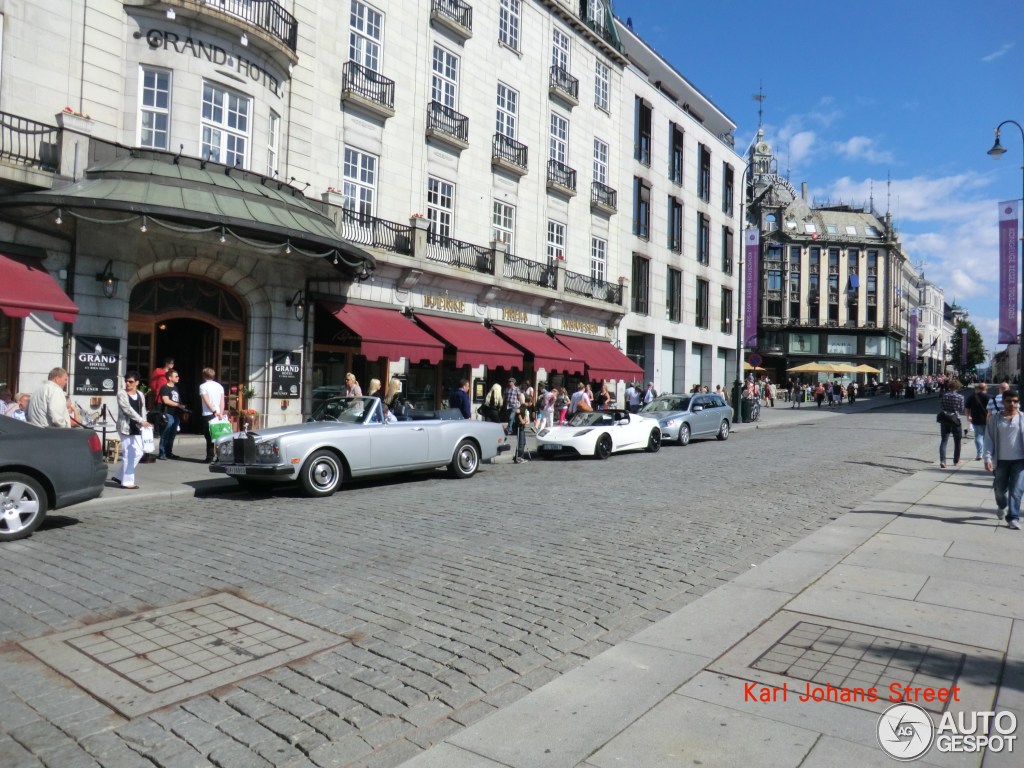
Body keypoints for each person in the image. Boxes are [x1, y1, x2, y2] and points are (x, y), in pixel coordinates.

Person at [983, 389, 1024, 530]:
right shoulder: (995, 419)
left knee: (1017, 489)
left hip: (1020, 461)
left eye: (1015, 401)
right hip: (1000, 460)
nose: (1012, 403)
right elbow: (988, 440)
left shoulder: (1022, 418)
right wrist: (987, 458)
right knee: (1000, 489)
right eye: (1009, 401)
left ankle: (1013, 518)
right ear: (1003, 402)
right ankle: (1002, 505)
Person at [113, 372, 151, 489]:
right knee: (129, 454)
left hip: (137, 427)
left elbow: (143, 409)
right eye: (126, 381)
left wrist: (144, 423)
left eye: (131, 381)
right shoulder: (121, 394)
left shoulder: (140, 394)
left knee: (139, 452)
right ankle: (127, 482)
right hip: (125, 427)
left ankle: (119, 476)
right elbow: (127, 409)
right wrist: (141, 420)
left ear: (137, 383)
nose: (128, 384)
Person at [158, 369, 187, 459]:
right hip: (168, 414)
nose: (178, 378)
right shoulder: (164, 388)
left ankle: (169, 452)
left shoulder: (175, 388)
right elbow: (166, 400)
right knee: (165, 434)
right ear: (170, 378)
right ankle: (162, 453)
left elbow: (177, 400)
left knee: (172, 435)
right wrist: (178, 405)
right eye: (176, 376)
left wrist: (182, 408)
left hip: (175, 414)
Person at [199, 368, 226, 463]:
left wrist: (214, 411)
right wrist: (221, 413)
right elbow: (222, 401)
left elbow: (206, 401)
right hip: (219, 413)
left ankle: (210, 457)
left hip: (208, 413)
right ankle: (220, 457)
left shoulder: (203, 386)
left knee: (209, 436)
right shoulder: (219, 386)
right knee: (219, 436)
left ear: (203, 376)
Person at [938, 379, 965, 468]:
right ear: (957, 387)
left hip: (945, 418)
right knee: (957, 441)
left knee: (944, 441)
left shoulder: (944, 395)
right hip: (955, 419)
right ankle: (956, 460)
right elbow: (961, 409)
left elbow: (941, 406)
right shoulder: (960, 397)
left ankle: (942, 461)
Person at [965, 382, 991, 461]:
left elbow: (967, 408)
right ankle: (986, 453)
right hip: (988, 419)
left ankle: (979, 453)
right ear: (986, 389)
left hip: (976, 419)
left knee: (978, 436)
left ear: (978, 388)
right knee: (986, 437)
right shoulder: (989, 397)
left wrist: (968, 416)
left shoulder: (972, 397)